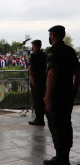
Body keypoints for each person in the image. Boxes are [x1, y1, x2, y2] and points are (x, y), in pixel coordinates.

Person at [43, 25, 80, 165]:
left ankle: (61, 158)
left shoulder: (53, 51)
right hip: (68, 94)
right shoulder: (70, 51)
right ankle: (65, 156)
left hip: (57, 96)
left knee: (56, 124)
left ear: (52, 35)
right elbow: (78, 72)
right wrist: (75, 91)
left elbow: (52, 74)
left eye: (50, 34)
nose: (49, 37)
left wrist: (48, 96)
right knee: (66, 123)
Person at [28, 40, 47, 126]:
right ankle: (41, 117)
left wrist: (32, 78)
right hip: (43, 78)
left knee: (36, 98)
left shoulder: (33, 55)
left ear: (34, 46)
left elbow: (30, 67)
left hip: (36, 79)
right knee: (42, 97)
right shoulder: (44, 54)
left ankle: (38, 119)